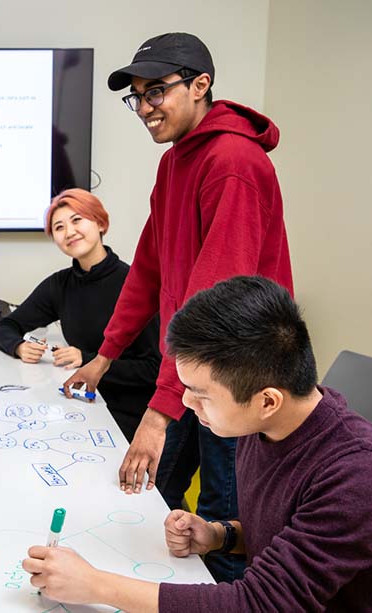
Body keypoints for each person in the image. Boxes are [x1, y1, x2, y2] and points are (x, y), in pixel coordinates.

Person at [62, 32, 293, 582]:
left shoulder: (232, 161)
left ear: (200, 85)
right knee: (157, 503)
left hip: (237, 377)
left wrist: (159, 411)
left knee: (222, 524)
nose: (144, 108)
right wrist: (106, 355)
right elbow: (148, 269)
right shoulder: (175, 164)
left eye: (156, 92)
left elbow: (213, 307)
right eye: (136, 97)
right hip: (194, 373)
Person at [26, 276, 372, 611]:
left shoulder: (354, 477)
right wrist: (219, 535)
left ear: (267, 401)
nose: (188, 404)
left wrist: (97, 585)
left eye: (202, 395)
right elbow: (286, 533)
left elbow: (259, 604)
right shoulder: (262, 425)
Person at [0, 189, 160, 441]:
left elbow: (152, 370)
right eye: (59, 227)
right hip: (81, 403)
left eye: (77, 220)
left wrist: (87, 359)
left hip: (128, 414)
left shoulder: (133, 284)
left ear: (100, 223)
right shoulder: (60, 285)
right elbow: (7, 325)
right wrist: (18, 346)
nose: (69, 232)